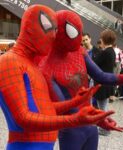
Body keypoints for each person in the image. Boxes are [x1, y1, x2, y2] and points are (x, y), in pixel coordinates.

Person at [0, 5, 115, 150]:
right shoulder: (9, 61)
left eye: (55, 29)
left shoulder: (31, 66)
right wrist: (73, 119)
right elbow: (23, 118)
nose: (54, 35)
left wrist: (75, 102)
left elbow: (43, 108)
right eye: (47, 26)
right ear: (28, 28)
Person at [39, 10, 123, 150]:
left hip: (88, 126)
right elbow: (66, 107)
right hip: (72, 130)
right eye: (75, 33)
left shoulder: (79, 51)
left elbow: (101, 75)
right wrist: (98, 118)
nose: (80, 39)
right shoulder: (47, 65)